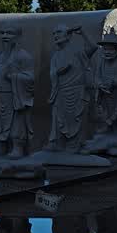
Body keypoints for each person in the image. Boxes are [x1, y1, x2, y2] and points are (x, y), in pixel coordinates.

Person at [0, 26, 34, 158]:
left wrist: (14, 77)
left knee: (17, 123)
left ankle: (18, 148)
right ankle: (2, 146)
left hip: (16, 96)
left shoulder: (23, 56)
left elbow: (30, 78)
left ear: (17, 36)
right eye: (2, 33)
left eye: (9, 33)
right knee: (0, 123)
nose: (5, 36)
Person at [47, 24, 95, 153]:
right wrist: (58, 72)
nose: (55, 35)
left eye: (58, 32)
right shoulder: (56, 56)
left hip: (77, 91)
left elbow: (93, 47)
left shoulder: (78, 51)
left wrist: (83, 32)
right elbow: (52, 73)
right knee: (59, 118)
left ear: (68, 35)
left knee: (77, 118)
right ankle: (58, 143)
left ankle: (75, 145)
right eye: (54, 34)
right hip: (61, 91)